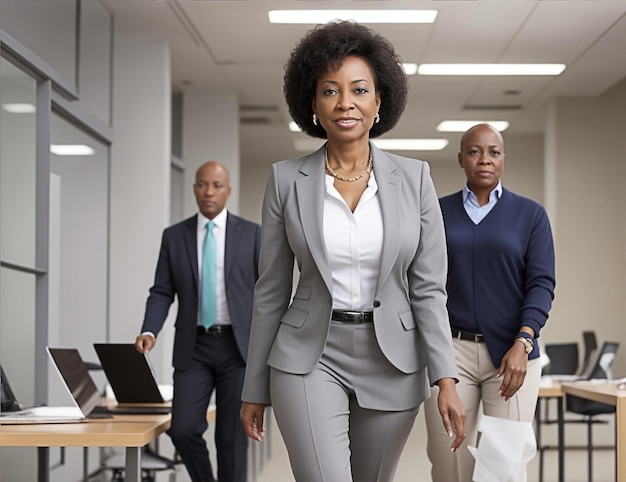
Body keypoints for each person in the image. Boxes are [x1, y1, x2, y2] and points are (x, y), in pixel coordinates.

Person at [239, 20, 466, 482]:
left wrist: (446, 378)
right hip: (308, 356)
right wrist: (253, 387)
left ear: (379, 101)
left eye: (359, 89)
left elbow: (428, 289)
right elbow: (271, 291)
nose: (346, 103)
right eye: (330, 91)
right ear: (313, 104)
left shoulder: (415, 178)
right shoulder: (286, 180)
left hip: (394, 359)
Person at [424, 123, 556, 481]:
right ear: (461, 159)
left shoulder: (531, 215)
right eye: (475, 151)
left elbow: (541, 283)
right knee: (449, 459)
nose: (485, 159)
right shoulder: (436, 213)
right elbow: (421, 281)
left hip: (513, 355)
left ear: (503, 159)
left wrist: (524, 340)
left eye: (493, 152)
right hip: (450, 350)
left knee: (504, 464)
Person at [135, 161, 260, 482]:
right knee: (183, 428)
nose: (209, 191)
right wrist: (150, 329)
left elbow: (267, 294)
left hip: (238, 350)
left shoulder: (253, 235)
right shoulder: (174, 237)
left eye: (217, 185)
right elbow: (161, 290)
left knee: (231, 439)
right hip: (194, 348)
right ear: (194, 189)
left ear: (228, 191)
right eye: (202, 184)